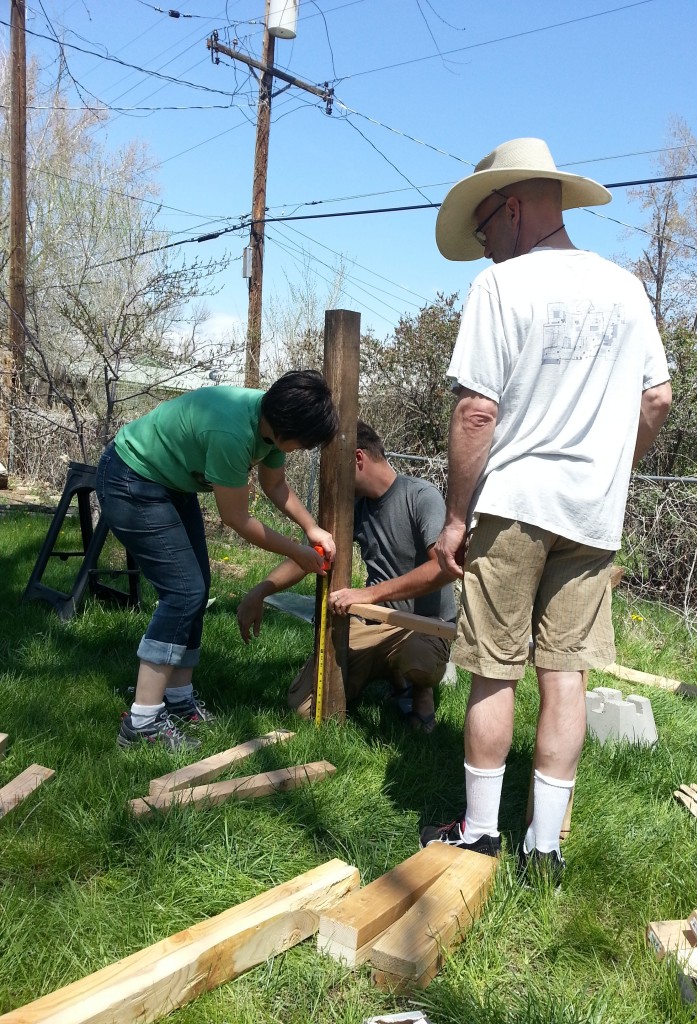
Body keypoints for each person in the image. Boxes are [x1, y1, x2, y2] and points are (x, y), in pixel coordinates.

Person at [419, 138, 672, 867]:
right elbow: (655, 398)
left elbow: (475, 413)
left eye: (485, 226)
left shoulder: (502, 289)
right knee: (566, 673)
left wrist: (458, 518)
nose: (483, 242)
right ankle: (543, 848)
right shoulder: (627, 287)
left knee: (494, 667)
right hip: (593, 514)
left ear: (516, 207)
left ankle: (480, 831)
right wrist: (609, 470)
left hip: (516, 503)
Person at [95, 369, 339, 750]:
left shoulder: (270, 423)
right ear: (286, 428)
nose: (301, 450)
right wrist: (297, 552)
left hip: (169, 483)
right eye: (303, 444)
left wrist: (311, 528)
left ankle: (177, 701)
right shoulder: (232, 432)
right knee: (184, 591)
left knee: (195, 588)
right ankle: (141, 722)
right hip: (131, 478)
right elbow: (236, 519)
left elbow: (273, 485)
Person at [237, 420, 456, 731]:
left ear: (357, 458)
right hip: (375, 620)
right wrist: (260, 591)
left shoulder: (422, 496)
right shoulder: (352, 507)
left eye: (334, 467)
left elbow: (442, 568)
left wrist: (368, 594)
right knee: (304, 708)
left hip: (424, 626)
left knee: (418, 662)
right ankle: (390, 676)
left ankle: (418, 690)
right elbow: (310, 558)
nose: (331, 479)